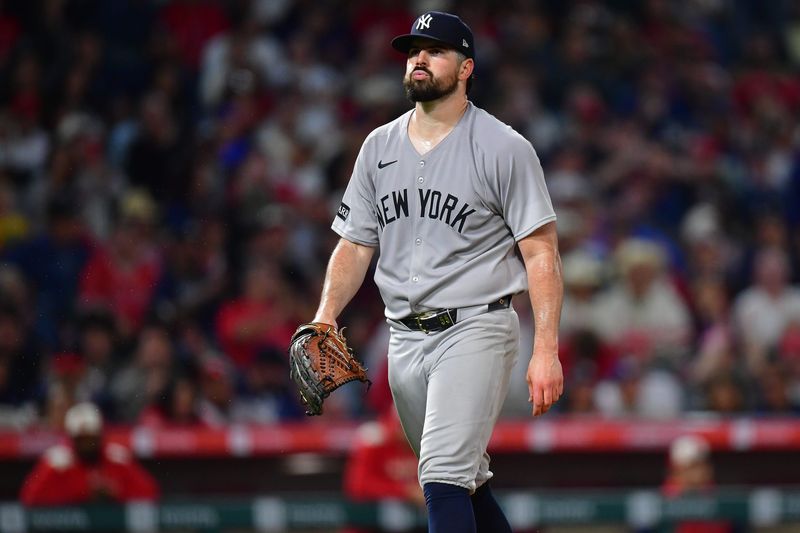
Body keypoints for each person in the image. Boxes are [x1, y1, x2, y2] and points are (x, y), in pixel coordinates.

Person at [306, 11, 563, 533]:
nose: (419, 58)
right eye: (413, 50)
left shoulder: (503, 147)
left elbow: (541, 253)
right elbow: (355, 244)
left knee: (441, 474)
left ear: (466, 67)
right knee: (467, 479)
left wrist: (546, 350)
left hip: (476, 326)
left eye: (436, 50)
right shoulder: (378, 146)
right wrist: (326, 315)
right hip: (403, 338)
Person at [20, 402, 159, 506]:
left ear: (100, 436)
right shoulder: (56, 462)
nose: (87, 444)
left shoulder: (117, 457)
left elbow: (150, 494)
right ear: (72, 439)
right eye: (82, 439)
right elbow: (30, 500)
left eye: (91, 438)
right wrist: (83, 493)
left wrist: (117, 493)